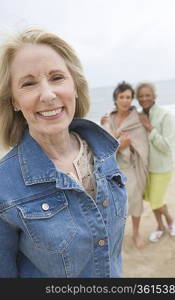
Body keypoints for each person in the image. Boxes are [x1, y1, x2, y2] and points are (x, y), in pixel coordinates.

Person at [0, 28, 128, 278]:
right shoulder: (4, 186)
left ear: (76, 86)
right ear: (14, 101)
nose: (48, 95)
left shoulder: (106, 153)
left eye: (57, 77)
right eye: (28, 83)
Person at [100, 81, 149, 249]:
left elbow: (142, 145)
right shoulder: (108, 119)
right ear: (115, 99)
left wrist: (128, 146)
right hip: (113, 169)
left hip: (131, 167)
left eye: (129, 97)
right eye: (122, 97)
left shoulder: (137, 119)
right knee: (114, 206)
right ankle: (117, 235)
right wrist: (119, 144)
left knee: (135, 202)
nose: (125, 100)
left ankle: (136, 233)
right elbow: (102, 145)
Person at [136, 82, 175, 242]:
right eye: (140, 96)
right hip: (146, 167)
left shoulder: (165, 115)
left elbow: (167, 146)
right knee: (154, 199)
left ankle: (170, 222)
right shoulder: (138, 116)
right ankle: (160, 227)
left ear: (155, 96)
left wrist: (150, 129)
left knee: (156, 200)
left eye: (147, 95)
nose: (144, 98)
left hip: (162, 168)